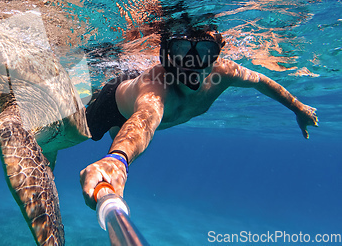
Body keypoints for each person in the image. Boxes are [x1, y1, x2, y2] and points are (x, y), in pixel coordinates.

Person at [80, 27, 319, 209]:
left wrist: (298, 108)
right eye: (181, 51)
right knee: (77, 132)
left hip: (129, 115)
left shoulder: (224, 72)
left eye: (205, 52)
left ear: (216, 55)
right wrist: (118, 159)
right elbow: (145, 118)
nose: (192, 64)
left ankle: (115, 133)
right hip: (113, 102)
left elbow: (261, 82)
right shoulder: (157, 85)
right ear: (167, 56)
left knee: (114, 134)